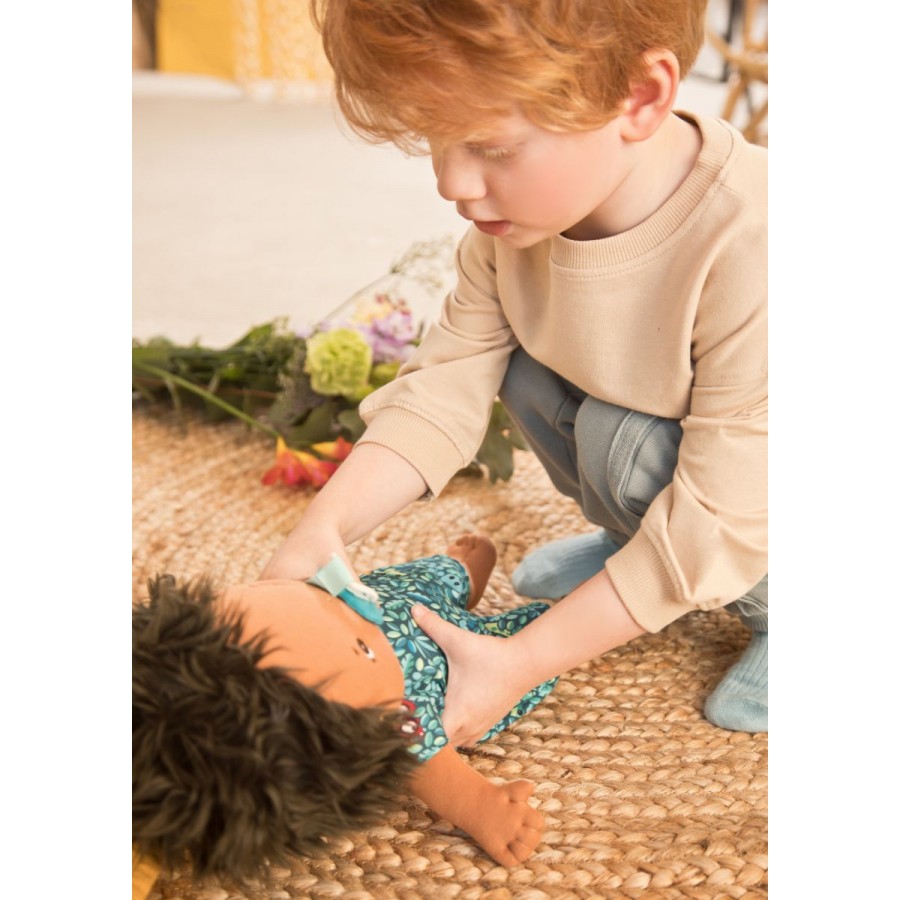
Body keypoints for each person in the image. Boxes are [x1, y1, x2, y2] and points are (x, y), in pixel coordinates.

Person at [261, 0, 768, 744]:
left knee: (625, 441)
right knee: (531, 371)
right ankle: (632, 541)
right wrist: (324, 526)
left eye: (488, 145)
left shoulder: (756, 241)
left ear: (639, 97)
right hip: (692, 457)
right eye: (435, 139)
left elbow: (724, 513)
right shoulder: (516, 231)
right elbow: (442, 390)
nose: (451, 183)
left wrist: (523, 660)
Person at [132, 535, 552, 900]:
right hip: (461, 670)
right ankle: (538, 628)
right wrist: (484, 808)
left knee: (432, 574)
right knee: (531, 648)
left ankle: (461, 575)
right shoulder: (395, 720)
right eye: (360, 649)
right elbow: (434, 768)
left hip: (385, 592)